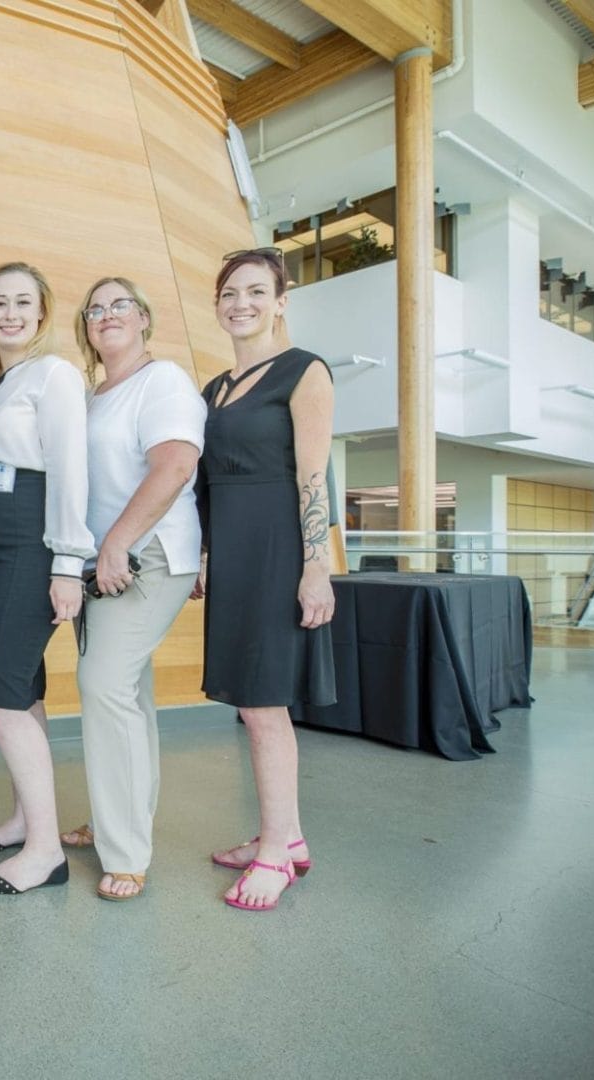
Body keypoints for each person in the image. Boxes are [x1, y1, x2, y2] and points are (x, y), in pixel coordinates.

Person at [197, 247, 337, 911]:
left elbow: (314, 479)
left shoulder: (304, 373)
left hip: (278, 552)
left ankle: (276, 857)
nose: (240, 303)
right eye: (229, 292)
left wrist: (317, 569)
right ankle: (288, 835)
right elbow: (201, 486)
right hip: (231, 555)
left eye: (256, 291)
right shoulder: (214, 390)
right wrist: (203, 555)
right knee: (251, 702)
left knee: (263, 704)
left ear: (281, 300)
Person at [58, 276, 205, 902]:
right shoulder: (94, 396)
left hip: (144, 555)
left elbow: (174, 465)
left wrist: (117, 542)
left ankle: (126, 851)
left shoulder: (163, 379)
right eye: (95, 309)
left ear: (144, 317)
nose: (107, 315)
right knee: (130, 694)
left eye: (120, 305)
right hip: (99, 560)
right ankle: (122, 815)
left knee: (104, 686)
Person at [0, 262, 93, 895]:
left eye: (22, 303)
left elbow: (70, 470)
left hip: (27, 546)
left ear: (42, 312)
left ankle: (45, 852)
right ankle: (22, 820)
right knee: (25, 690)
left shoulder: (55, 374)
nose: (9, 314)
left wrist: (68, 562)